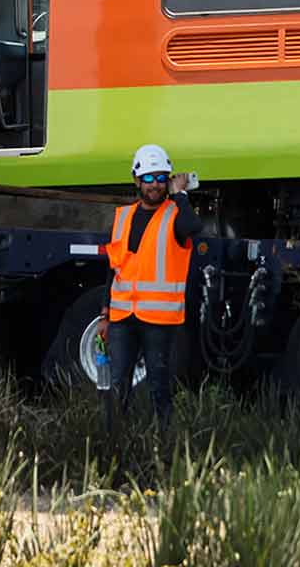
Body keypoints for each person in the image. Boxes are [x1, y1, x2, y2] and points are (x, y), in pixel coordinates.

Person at [103, 144, 200, 430]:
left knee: (159, 384)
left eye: (160, 178)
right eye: (148, 178)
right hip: (122, 318)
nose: (154, 185)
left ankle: (163, 440)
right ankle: (113, 439)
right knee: (119, 382)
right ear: (136, 181)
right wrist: (105, 315)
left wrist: (180, 194)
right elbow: (112, 267)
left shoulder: (175, 215)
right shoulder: (123, 216)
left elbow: (193, 227)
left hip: (158, 320)